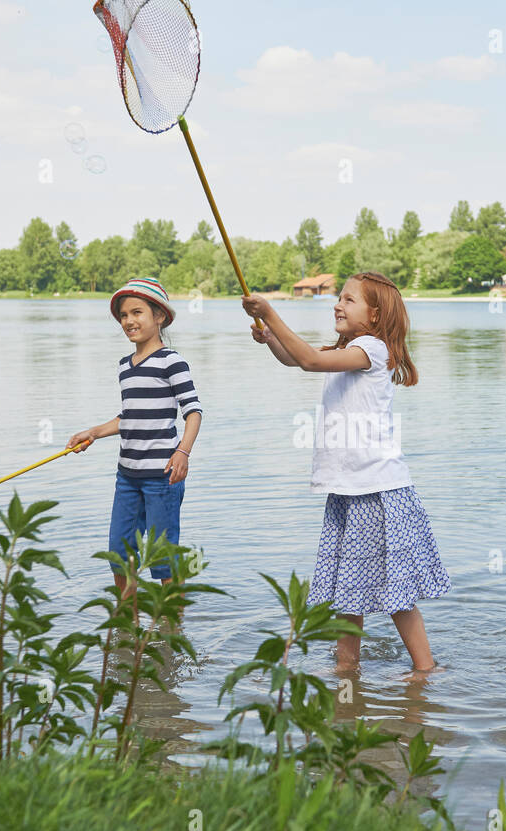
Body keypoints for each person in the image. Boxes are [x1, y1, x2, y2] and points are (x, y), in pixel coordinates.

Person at [242, 272, 449, 681]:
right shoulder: (349, 348)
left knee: (396, 593)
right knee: (348, 590)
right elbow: (295, 358)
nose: (337, 304)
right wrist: (270, 339)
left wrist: (271, 312)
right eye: (339, 297)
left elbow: (309, 360)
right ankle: (345, 670)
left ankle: (425, 669)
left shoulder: (370, 349)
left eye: (348, 300)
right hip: (350, 490)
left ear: (375, 315)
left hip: (377, 490)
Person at [67, 278, 200, 591]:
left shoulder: (172, 361)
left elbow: (193, 411)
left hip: (162, 477)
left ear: (160, 317)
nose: (129, 320)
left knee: (162, 555)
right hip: (126, 476)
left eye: (137, 312)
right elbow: (128, 417)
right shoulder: (125, 366)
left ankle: (171, 624)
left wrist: (183, 451)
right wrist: (94, 433)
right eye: (124, 315)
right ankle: (126, 621)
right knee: (119, 550)